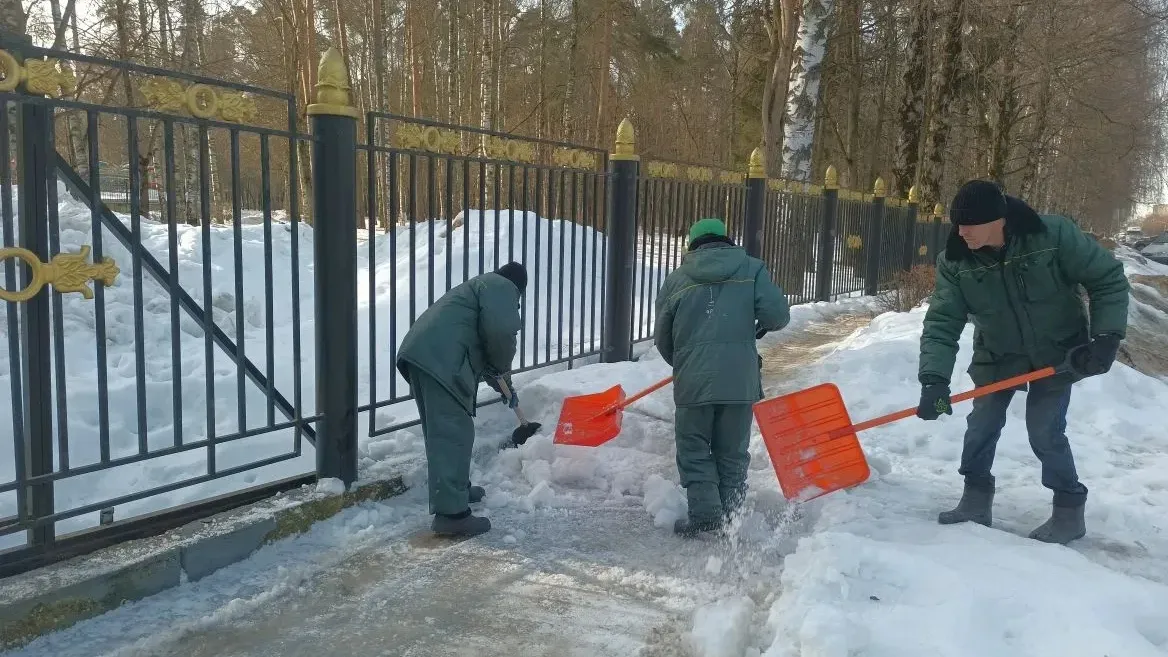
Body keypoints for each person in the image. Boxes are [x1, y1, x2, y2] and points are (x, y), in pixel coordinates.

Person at [916, 180, 1129, 545]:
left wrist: (1107, 337)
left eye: (970, 223)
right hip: (998, 354)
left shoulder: (1052, 235)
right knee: (982, 424)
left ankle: (1068, 509)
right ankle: (975, 499)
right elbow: (941, 322)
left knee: (1045, 431)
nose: (961, 231)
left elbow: (1107, 279)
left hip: (1058, 353)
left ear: (998, 219)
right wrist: (934, 379)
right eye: (958, 223)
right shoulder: (955, 260)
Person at [653, 218, 791, 536]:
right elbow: (778, 316)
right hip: (739, 380)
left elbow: (663, 337)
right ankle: (731, 516)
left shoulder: (677, 280)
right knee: (732, 451)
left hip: (693, 380)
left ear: (692, 245)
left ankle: (705, 517)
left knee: (694, 447)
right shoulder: (752, 269)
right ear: (727, 240)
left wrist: (685, 362)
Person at [396, 261, 527, 537]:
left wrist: (506, 386)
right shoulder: (502, 288)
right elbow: (501, 334)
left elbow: (487, 345)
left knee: (444, 432)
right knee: (452, 432)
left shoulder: (480, 288)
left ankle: (456, 491)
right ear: (518, 287)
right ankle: (451, 516)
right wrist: (502, 367)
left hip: (425, 354)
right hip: (441, 359)